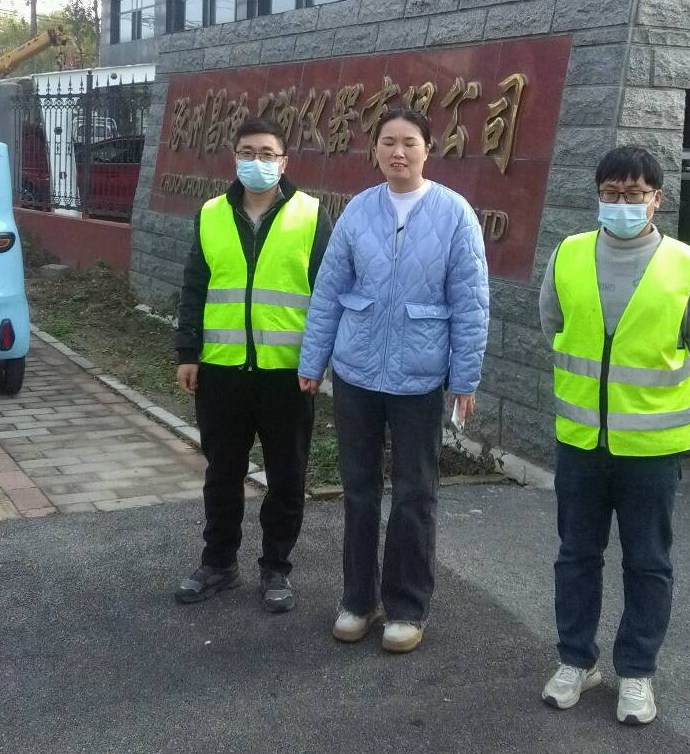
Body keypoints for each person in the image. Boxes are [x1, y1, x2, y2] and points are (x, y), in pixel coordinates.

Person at [539, 145, 690, 724]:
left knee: (647, 562)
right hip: (581, 441)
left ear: (656, 199)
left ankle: (637, 672)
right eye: (611, 193)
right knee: (576, 556)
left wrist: (654, 391)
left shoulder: (686, 264)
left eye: (634, 194)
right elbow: (552, 325)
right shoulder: (568, 254)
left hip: (651, 448)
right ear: (598, 196)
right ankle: (576, 660)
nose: (622, 203)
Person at [297, 108, 490, 653]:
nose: (397, 152)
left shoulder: (454, 213)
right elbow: (329, 290)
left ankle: (407, 606)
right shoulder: (359, 210)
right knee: (358, 490)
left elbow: (471, 302)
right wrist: (312, 362)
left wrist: (464, 378)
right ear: (375, 150)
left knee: (414, 494)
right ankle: (358, 600)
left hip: (419, 378)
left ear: (429, 149)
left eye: (409, 142)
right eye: (387, 142)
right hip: (356, 372)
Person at [174, 118, 332, 614]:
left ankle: (276, 568)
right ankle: (218, 563)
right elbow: (195, 286)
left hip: (288, 374)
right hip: (221, 370)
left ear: (284, 162)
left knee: (286, 475)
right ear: (234, 157)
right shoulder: (211, 214)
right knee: (222, 473)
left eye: (267, 153)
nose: (256, 162)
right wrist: (187, 352)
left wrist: (318, 360)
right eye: (248, 152)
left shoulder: (311, 215)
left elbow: (327, 295)